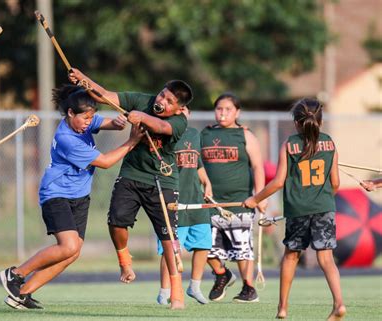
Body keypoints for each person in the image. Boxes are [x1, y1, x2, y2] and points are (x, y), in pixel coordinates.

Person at [0, 84, 143, 310]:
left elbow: (103, 122)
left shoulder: (81, 122)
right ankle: (15, 274)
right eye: (85, 118)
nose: (89, 121)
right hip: (57, 194)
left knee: (72, 254)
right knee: (67, 246)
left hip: (80, 196)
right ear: (69, 114)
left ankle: (22, 294)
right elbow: (105, 162)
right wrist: (131, 141)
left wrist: (116, 124)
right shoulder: (68, 138)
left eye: (91, 117)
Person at [69, 69, 193, 309]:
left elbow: (161, 127)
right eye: (161, 95)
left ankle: (176, 291)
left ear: (178, 109)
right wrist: (84, 80)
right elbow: (104, 95)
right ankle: (124, 260)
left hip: (163, 181)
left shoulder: (179, 121)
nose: (160, 101)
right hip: (131, 174)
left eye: (168, 101)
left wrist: (142, 118)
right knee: (116, 222)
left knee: (167, 236)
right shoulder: (142, 100)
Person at [243, 98, 346, 320]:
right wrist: (324, 200)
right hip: (324, 209)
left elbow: (279, 181)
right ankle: (339, 304)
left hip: (298, 210)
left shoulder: (289, 144)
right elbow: (335, 183)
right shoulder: (330, 143)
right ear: (319, 120)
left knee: (291, 256)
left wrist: (254, 199)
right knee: (326, 259)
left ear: (297, 123)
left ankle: (282, 308)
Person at [200, 92, 266, 303]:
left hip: (240, 202)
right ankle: (222, 274)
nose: (223, 113)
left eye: (228, 109)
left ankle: (248, 288)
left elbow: (257, 167)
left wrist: (260, 195)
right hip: (210, 203)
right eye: (219, 108)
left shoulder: (245, 135)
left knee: (241, 248)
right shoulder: (206, 134)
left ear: (237, 112)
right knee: (204, 246)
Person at [156, 106, 213, 305]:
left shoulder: (194, 134)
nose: (181, 113)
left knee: (204, 245)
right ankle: (164, 292)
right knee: (170, 249)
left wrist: (207, 183)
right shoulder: (163, 133)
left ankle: (194, 286)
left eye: (184, 109)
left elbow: (197, 164)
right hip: (173, 199)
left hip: (196, 199)